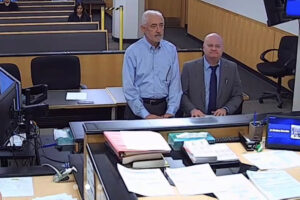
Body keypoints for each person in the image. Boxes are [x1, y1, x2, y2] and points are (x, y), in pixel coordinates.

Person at [122, 10, 182, 120]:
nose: (158, 30)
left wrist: (171, 111)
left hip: (163, 109)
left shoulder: (171, 50)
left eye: (161, 25)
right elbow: (129, 88)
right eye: (153, 26)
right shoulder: (132, 51)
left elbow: (175, 85)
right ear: (143, 29)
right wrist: (145, 114)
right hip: (138, 110)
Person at [181, 33, 242, 117]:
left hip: (221, 119)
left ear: (222, 49)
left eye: (217, 46)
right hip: (195, 118)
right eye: (210, 45)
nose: (214, 49)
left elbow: (237, 95)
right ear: (203, 47)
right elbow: (182, 94)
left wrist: (226, 109)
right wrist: (192, 110)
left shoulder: (231, 68)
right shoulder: (189, 67)